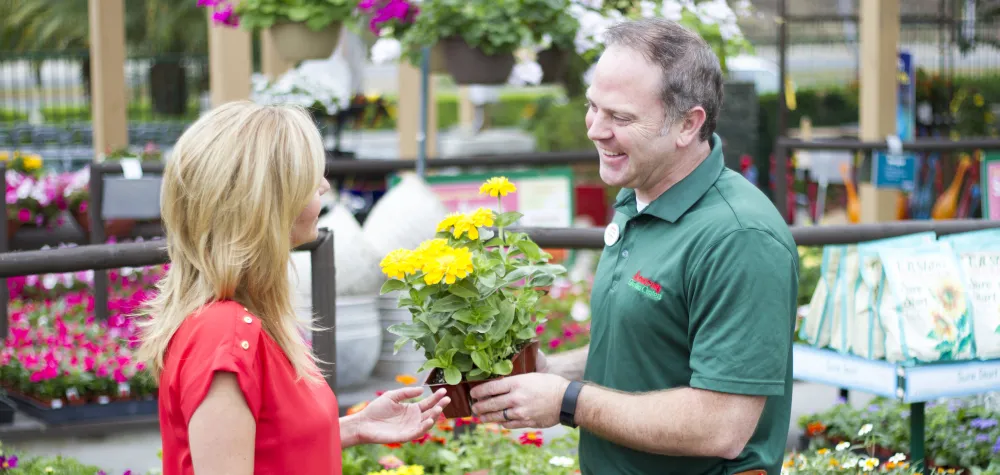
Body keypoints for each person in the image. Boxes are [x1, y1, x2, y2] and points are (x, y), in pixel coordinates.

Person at [469, 17, 799, 475]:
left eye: (621, 117)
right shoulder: (640, 197)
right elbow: (651, 347)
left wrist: (567, 402)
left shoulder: (739, 237)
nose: (595, 129)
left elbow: (721, 426)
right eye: (593, 107)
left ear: (688, 124)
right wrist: (551, 371)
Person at [136, 101, 450, 474]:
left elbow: (263, 444)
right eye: (308, 177)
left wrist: (354, 427)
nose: (324, 185)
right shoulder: (226, 332)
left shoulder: (233, 320)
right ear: (267, 201)